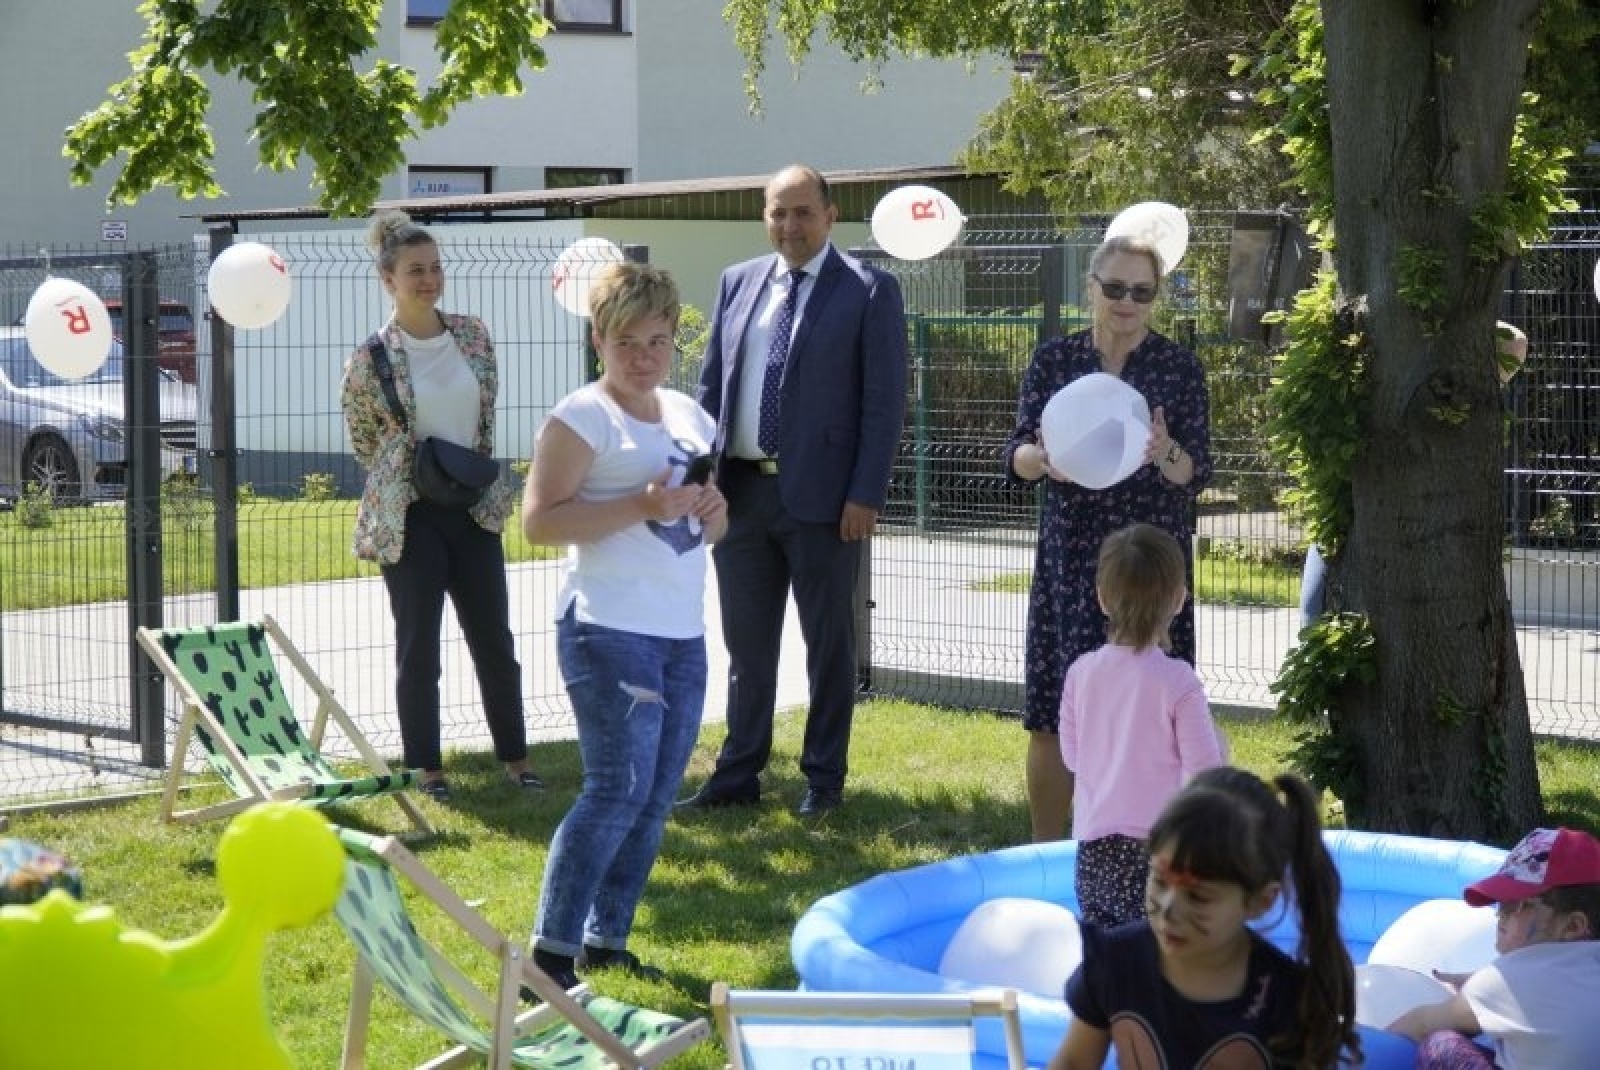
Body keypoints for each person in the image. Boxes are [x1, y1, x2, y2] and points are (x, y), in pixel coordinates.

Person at [521, 262, 728, 987]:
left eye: (659, 341)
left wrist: (711, 512)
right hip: (606, 628)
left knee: (656, 791)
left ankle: (606, 939)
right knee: (616, 788)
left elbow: (715, 519)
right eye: (627, 342)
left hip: (681, 630)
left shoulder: (690, 416)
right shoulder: (581, 417)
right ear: (598, 340)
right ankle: (550, 953)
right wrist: (640, 506)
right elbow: (539, 523)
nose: (644, 357)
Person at [681, 164, 909, 818]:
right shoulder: (738, 282)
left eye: (803, 212)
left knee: (827, 647)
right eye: (778, 213)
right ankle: (737, 776)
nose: (790, 225)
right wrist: (701, 480)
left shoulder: (869, 291)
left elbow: (884, 403)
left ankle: (823, 780)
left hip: (827, 504)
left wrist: (866, 493)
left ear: (831, 215)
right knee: (747, 649)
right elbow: (710, 392)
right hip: (741, 497)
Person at [1005, 235, 1212, 842]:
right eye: (1115, 288)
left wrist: (1163, 447)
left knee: (1158, 708)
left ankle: (1157, 845)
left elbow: (1195, 471)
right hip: (1074, 557)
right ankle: (1046, 852)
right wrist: (1040, 459)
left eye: (1141, 292)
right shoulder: (1054, 362)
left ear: (1155, 299)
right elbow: (1013, 453)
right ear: (1091, 288)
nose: (1127, 301)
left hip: (1151, 556)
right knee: (1052, 712)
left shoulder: (1179, 368)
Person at [341, 209, 537, 802]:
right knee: (418, 649)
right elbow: (364, 439)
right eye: (414, 271)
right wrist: (414, 467)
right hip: (411, 516)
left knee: (495, 642)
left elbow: (485, 412)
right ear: (388, 280)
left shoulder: (473, 335)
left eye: (434, 268)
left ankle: (517, 759)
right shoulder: (370, 358)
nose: (427, 279)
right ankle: (428, 770)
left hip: (473, 507)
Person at [1049, 766, 1360, 1070]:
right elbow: (1073, 1061)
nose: (1170, 908)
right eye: (1159, 880)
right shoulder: (1115, 962)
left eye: (1198, 896)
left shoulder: (1287, 1001)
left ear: (1260, 901)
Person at [1298, 321, 1527, 629]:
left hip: (1420, 540)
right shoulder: (1384, 368)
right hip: (1354, 518)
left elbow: (1515, 341)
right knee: (1316, 619)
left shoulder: (1461, 410)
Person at [1060, 522, 1226, 928]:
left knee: (1108, 958)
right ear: (1179, 599)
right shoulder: (1177, 681)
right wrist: (1222, 745)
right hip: (1158, 853)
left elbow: (1072, 757)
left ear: (1101, 598)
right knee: (1162, 961)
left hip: (1093, 854)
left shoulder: (1080, 673)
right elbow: (1206, 772)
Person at [1387, 826, 1600, 1069]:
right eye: (1502, 902)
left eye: (1519, 905)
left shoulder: (1511, 978)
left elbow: (1420, 1024)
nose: (1501, 916)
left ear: (1573, 925)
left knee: (1440, 1045)